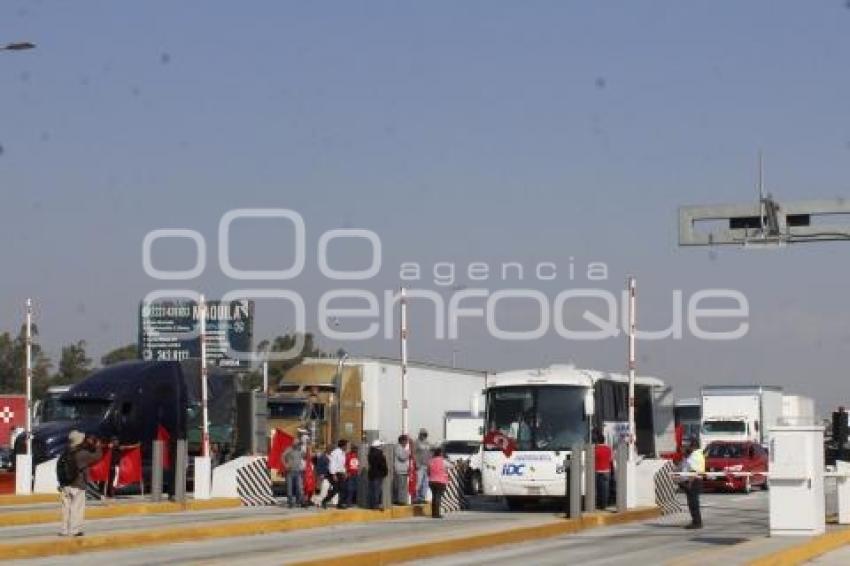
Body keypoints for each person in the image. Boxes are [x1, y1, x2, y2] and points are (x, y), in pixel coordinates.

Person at [59, 431, 103, 537]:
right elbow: (97, 457)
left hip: (65, 485)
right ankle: (74, 530)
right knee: (77, 508)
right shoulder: (82, 454)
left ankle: (64, 530)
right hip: (77, 484)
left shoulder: (65, 452)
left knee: (66, 509)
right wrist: (98, 446)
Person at [680, 440, 705, 529]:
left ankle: (697, 522)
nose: (687, 448)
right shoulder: (694, 455)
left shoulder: (695, 456)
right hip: (693, 481)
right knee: (692, 503)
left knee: (693, 503)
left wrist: (689, 483)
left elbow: (693, 471)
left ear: (693, 446)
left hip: (693, 482)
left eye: (688, 446)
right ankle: (696, 521)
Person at [323, 439, 349, 509]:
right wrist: (333, 475)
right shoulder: (335, 453)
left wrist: (345, 472)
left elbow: (341, 465)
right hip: (334, 473)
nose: (347, 447)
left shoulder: (343, 453)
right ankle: (324, 501)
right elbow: (332, 464)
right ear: (343, 446)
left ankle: (340, 504)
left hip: (340, 473)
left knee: (343, 489)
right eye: (346, 445)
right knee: (336, 489)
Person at [283, 437, 306, 508]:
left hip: (298, 472)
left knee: (300, 488)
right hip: (290, 472)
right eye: (297, 443)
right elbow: (282, 456)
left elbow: (305, 456)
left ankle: (301, 501)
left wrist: (305, 447)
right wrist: (285, 465)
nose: (298, 445)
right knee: (289, 488)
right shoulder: (289, 449)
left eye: (298, 444)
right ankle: (290, 502)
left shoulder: (300, 451)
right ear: (293, 443)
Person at [593, 428, 613, 509]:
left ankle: (599, 504)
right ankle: (604, 505)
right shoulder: (608, 449)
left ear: (598, 440)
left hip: (597, 471)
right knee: (605, 489)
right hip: (606, 471)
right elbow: (610, 460)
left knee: (598, 489)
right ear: (604, 441)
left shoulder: (595, 449)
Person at [427, 447, 449, 519]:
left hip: (431, 481)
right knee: (438, 498)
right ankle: (437, 514)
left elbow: (428, 472)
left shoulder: (430, 461)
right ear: (440, 453)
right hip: (440, 481)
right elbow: (451, 466)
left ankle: (433, 513)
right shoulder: (443, 461)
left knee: (434, 497)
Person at [367, 440, 388, 509]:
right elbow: (382, 465)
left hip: (372, 474)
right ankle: (377, 504)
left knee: (372, 490)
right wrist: (385, 472)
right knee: (377, 490)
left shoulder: (370, 453)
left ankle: (372, 504)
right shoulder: (379, 454)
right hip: (378, 474)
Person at [414, 429, 432, 503]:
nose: (424, 436)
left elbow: (430, 454)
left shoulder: (428, 443)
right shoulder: (416, 442)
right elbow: (413, 454)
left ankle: (422, 497)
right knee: (418, 482)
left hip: (427, 465)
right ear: (420, 434)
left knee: (425, 483)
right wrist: (416, 463)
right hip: (420, 466)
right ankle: (416, 497)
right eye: (423, 434)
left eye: (425, 435)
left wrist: (430, 464)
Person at [394, 434, 411, 505]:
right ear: (402, 441)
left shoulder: (402, 448)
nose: (406, 443)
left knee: (404, 486)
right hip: (400, 470)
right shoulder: (398, 448)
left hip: (404, 470)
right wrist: (408, 452)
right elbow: (402, 457)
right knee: (400, 486)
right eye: (406, 441)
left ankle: (402, 500)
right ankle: (400, 500)